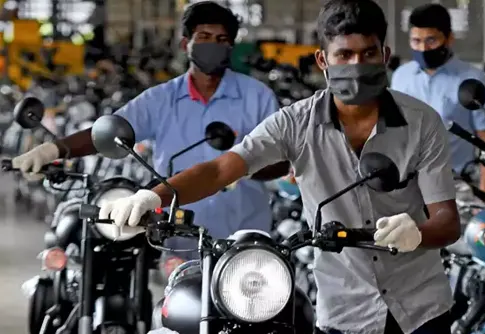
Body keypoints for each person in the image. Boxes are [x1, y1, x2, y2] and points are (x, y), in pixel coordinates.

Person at [97, 1, 460, 334]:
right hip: (349, 307)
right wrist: (156, 195)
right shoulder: (297, 123)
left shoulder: (422, 123)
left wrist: (418, 230)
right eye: (345, 54)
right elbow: (226, 166)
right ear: (323, 60)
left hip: (421, 303)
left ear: (386, 54)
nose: (358, 65)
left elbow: (447, 218)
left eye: (369, 53)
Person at [12, 1, 287, 244]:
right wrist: (52, 150)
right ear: (185, 44)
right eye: (204, 37)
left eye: (221, 39)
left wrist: (245, 165)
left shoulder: (257, 96)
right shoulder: (160, 99)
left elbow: (279, 158)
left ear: (230, 46)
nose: (213, 45)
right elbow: (110, 130)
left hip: (243, 234)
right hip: (177, 232)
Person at [391, 3, 485, 196]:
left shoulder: (473, 80)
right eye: (416, 41)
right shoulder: (401, 76)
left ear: (449, 38)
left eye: (431, 40)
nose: (423, 48)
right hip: (407, 187)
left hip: (456, 189)